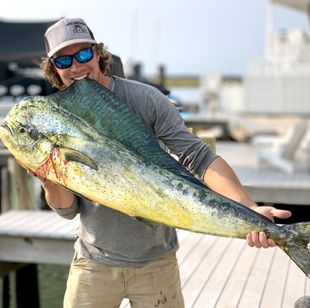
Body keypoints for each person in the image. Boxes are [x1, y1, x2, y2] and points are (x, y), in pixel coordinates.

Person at [38, 17, 291, 308]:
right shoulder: (54, 119)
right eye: (63, 60)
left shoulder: (145, 98)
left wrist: (248, 208)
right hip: (93, 264)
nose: (76, 66)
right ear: (53, 68)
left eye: (83, 54)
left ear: (98, 53)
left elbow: (197, 155)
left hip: (156, 264)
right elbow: (67, 210)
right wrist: (46, 175)